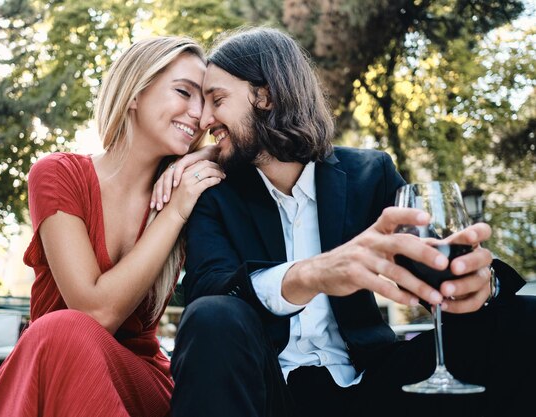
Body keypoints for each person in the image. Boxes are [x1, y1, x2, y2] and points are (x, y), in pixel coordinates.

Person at [163, 27, 536, 417]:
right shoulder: (215, 192)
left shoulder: (369, 174)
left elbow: (430, 268)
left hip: (373, 383)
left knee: (524, 320)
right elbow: (207, 294)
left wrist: (481, 283)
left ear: (265, 96)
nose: (203, 118)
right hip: (268, 389)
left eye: (217, 100)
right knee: (212, 315)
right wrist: (310, 275)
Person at [0, 36, 225, 417]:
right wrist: (173, 213)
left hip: (138, 379)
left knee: (62, 332)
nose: (199, 114)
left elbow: (262, 142)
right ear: (135, 92)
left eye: (204, 101)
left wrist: (207, 153)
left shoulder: (190, 187)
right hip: (52, 364)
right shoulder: (58, 175)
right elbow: (95, 313)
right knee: (63, 331)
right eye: (184, 93)